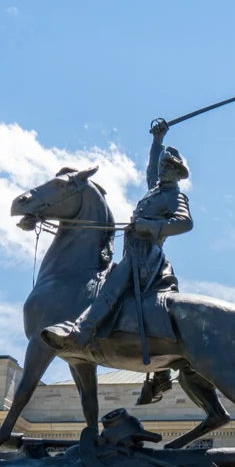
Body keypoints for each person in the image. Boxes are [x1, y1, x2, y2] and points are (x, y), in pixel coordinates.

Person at [43, 119, 192, 348]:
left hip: (145, 257)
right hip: (132, 252)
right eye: (162, 165)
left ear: (176, 172)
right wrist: (157, 140)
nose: (162, 169)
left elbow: (185, 222)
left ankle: (82, 332)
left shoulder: (173, 196)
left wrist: (150, 227)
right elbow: (151, 168)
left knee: (111, 287)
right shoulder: (156, 188)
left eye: (167, 167)